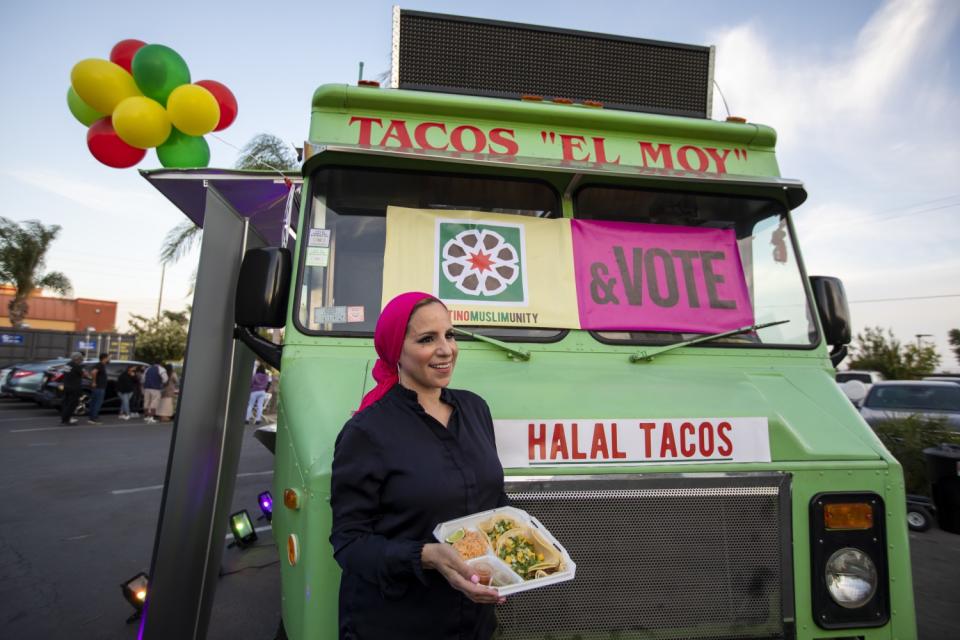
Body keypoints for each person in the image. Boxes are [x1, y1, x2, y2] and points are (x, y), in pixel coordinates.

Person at [330, 292, 507, 640]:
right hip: (398, 622)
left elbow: (493, 501)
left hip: (473, 620)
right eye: (427, 339)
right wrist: (426, 555)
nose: (446, 349)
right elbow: (349, 544)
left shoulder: (475, 410)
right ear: (396, 349)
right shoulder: (366, 431)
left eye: (450, 335)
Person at [59, 352, 85, 425]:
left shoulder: (67, 364)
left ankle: (64, 419)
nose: (81, 360)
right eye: (80, 359)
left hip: (66, 386)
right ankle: (66, 420)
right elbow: (82, 374)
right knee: (72, 404)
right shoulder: (77, 366)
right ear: (77, 359)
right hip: (74, 387)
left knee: (66, 403)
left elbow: (65, 373)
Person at [86, 352, 110, 424]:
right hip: (99, 387)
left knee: (94, 402)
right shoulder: (100, 365)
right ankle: (93, 419)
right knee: (97, 403)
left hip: (99, 387)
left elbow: (92, 373)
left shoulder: (101, 365)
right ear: (104, 358)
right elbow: (93, 372)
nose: (109, 359)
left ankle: (92, 417)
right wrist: (94, 382)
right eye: (108, 358)